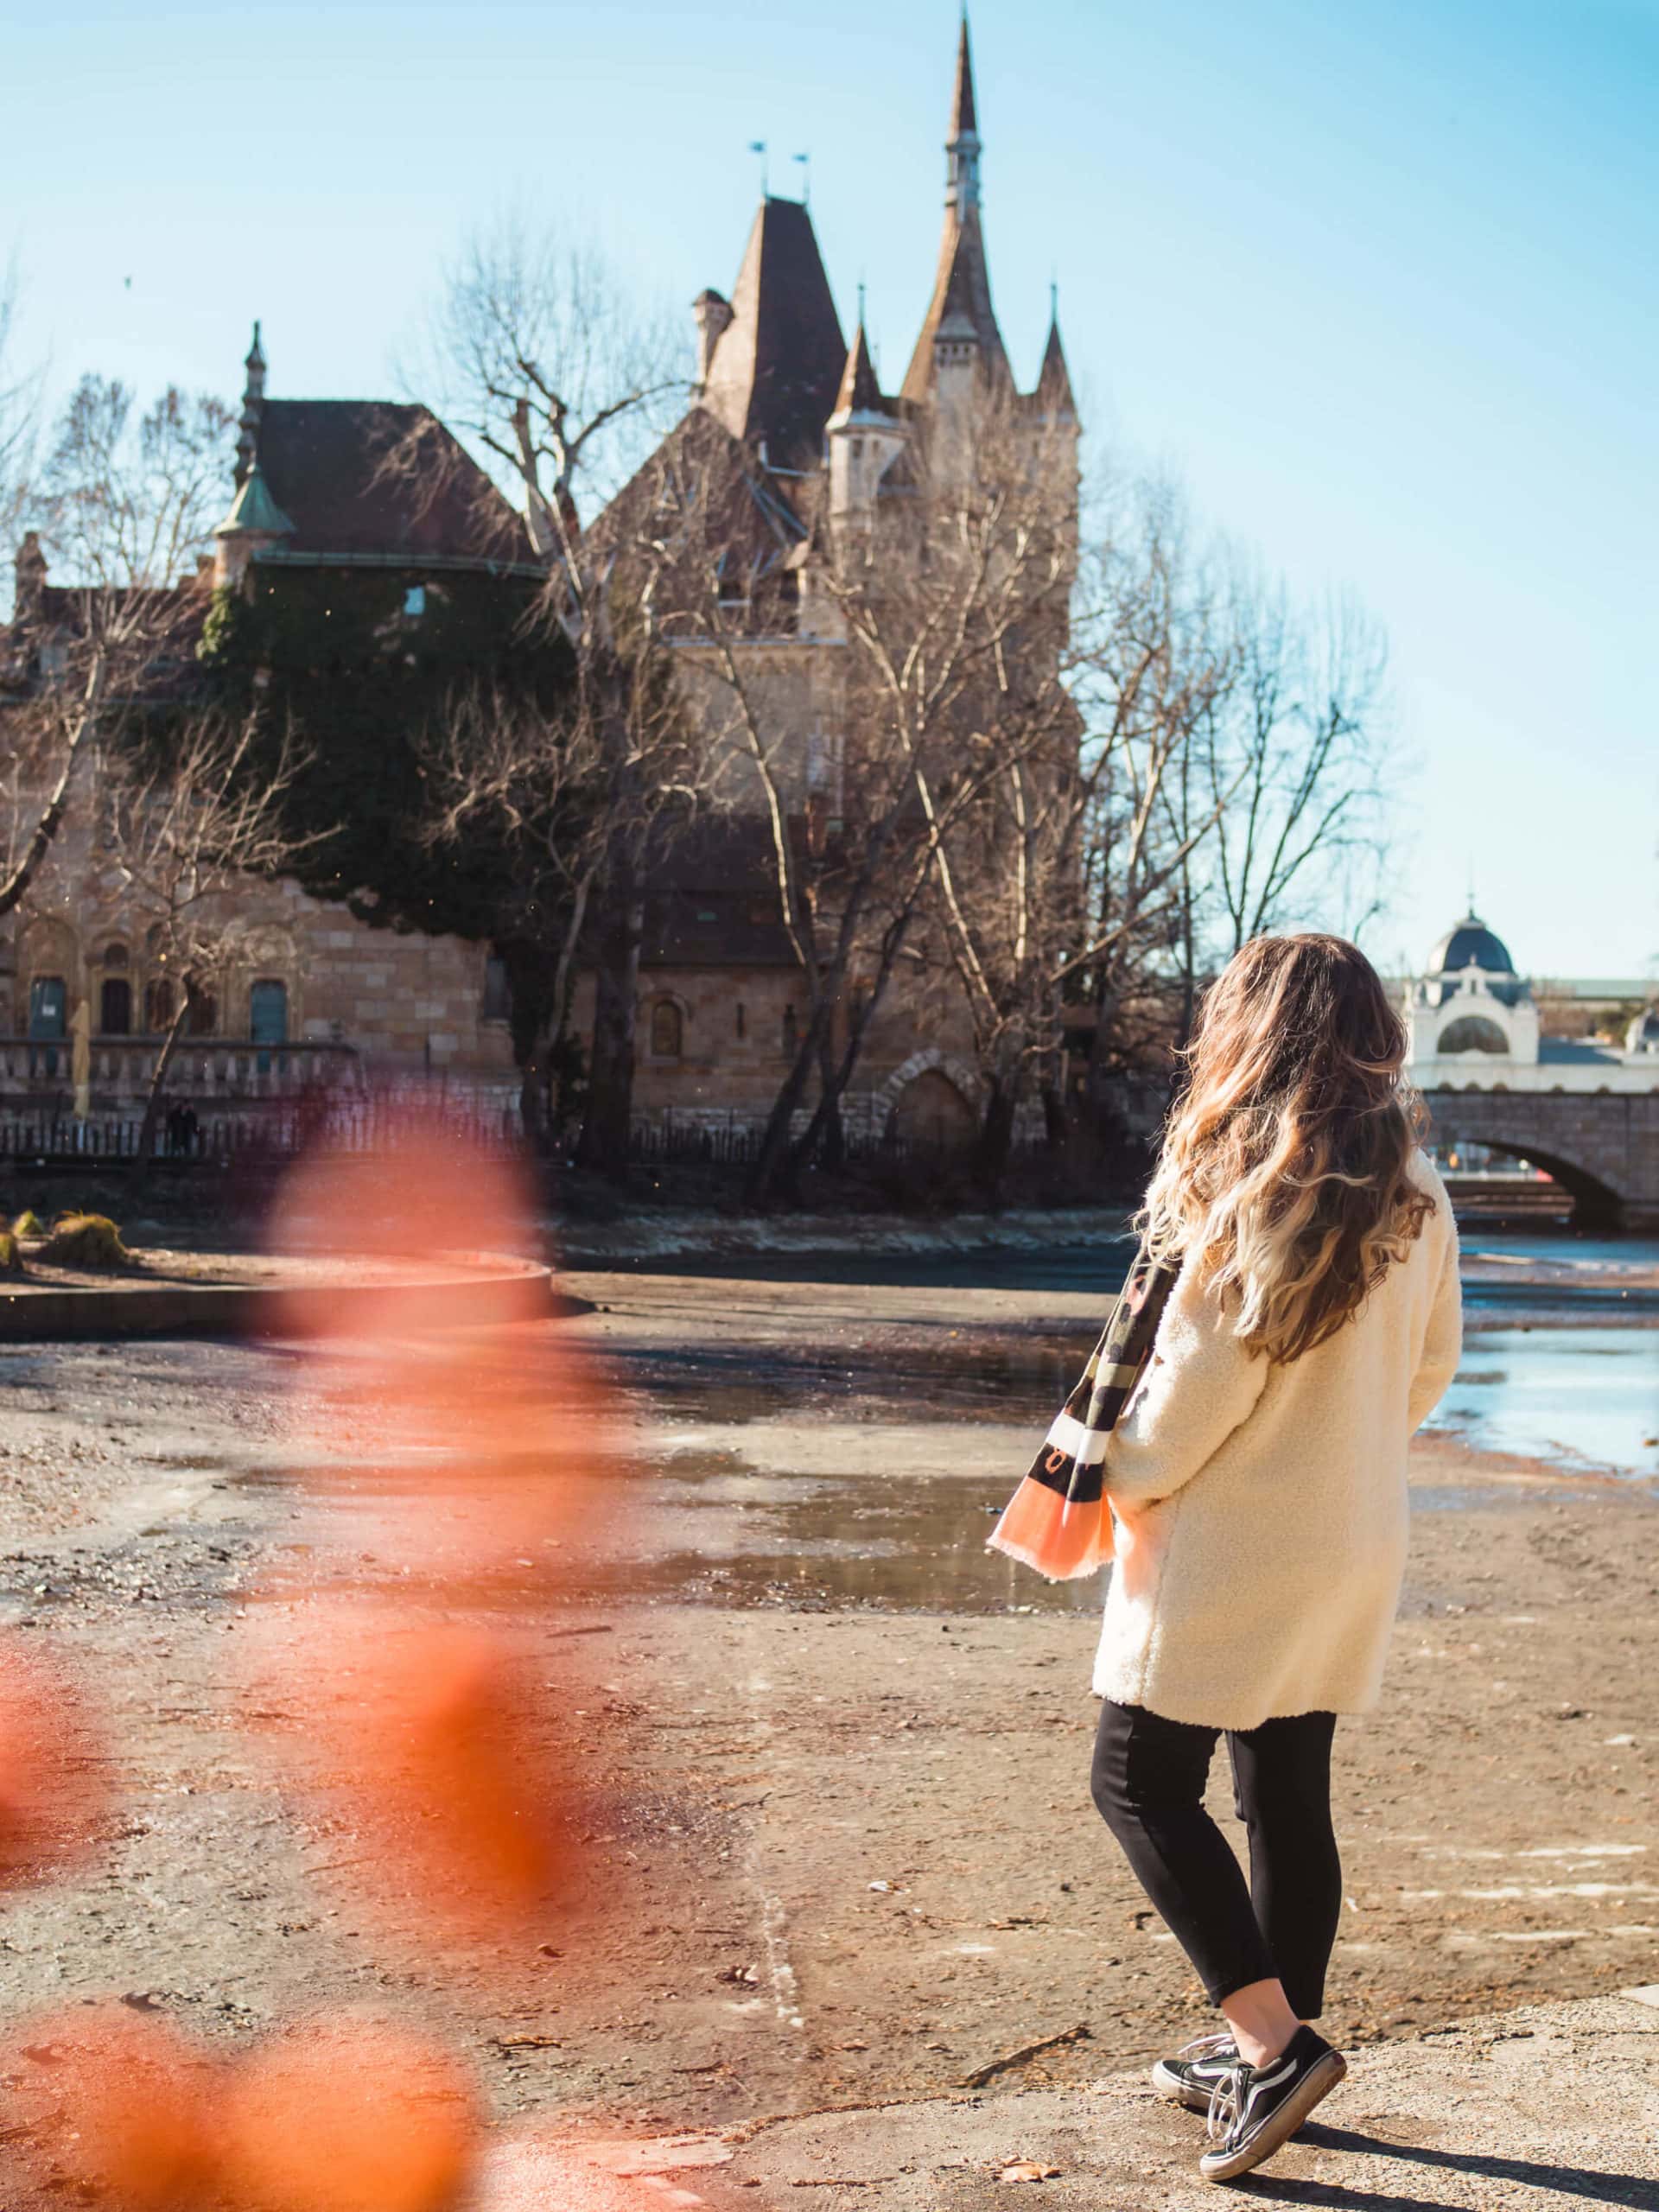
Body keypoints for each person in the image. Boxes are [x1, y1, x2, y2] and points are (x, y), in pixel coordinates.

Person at [1086, 933, 1462, 2182]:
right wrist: (1340, 1452)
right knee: (1286, 1790)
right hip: (1349, 1538)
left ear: (1249, 1034)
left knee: (1137, 1777)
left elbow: (1186, 1409)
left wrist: (1109, 1477)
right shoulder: (1420, 1189)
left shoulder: (1254, 1185)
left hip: (1230, 1546)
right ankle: (1272, 2038)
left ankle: (1271, 2047)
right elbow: (1430, 1371)